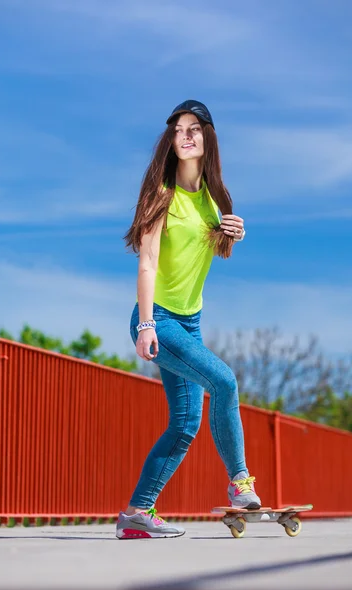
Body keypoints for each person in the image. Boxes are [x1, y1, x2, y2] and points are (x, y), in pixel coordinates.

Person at [117, 100, 261, 540]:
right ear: (171, 140)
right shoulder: (161, 195)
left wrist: (235, 232)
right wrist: (145, 325)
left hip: (190, 322)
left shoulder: (216, 200)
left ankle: (137, 514)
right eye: (178, 129)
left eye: (194, 128)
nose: (186, 135)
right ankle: (240, 483)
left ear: (207, 137)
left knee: (184, 425)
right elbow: (148, 263)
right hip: (157, 319)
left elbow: (215, 249)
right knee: (224, 380)